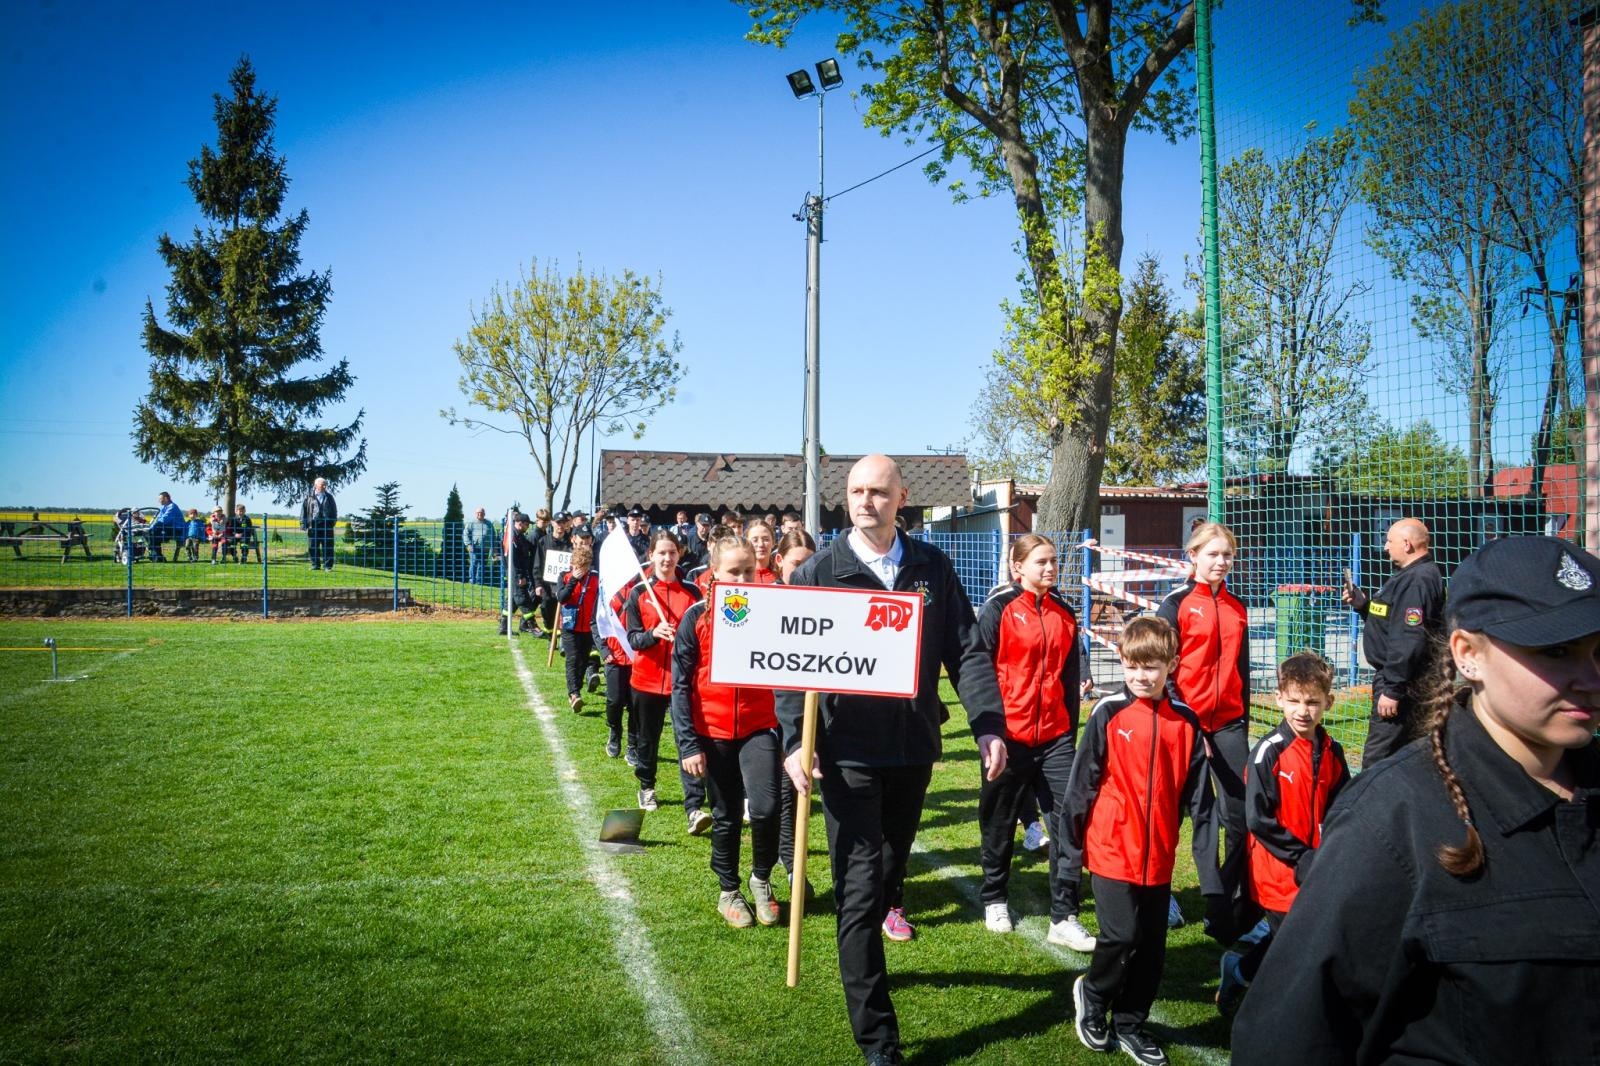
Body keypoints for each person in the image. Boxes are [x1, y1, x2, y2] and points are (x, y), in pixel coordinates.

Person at [1233, 535, 1600, 1064]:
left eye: (1599, 648)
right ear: (1469, 655)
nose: (1590, 679)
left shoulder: (1420, 580)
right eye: (1556, 651)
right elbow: (1289, 1035)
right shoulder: (1391, 820)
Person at [777, 454, 1005, 1066]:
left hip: (913, 749)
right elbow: (783, 660)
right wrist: (795, 742)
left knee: (883, 878)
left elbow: (968, 651)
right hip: (846, 752)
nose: (864, 501)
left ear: (901, 497)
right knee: (858, 888)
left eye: (877, 491)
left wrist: (988, 726)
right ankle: (879, 1039)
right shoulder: (820, 571)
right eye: (855, 490)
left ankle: (870, 950)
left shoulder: (933, 567)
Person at [1061, 615, 1221, 1066]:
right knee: (1121, 934)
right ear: (1123, 662)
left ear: (1172, 665)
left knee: (1152, 950)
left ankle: (1130, 1024)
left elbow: (1201, 805)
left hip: (1159, 857)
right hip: (1112, 850)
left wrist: (1210, 880)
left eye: (1152, 667)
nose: (1141, 676)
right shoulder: (1107, 713)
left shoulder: (1186, 722)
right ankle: (1092, 993)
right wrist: (1068, 864)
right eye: (1134, 666)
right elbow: (1079, 791)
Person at [972, 534, 1095, 951]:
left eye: (1053, 561)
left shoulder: (1064, 612)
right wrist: (989, 732)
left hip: (1057, 738)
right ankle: (994, 896)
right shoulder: (998, 610)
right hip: (1009, 738)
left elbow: (1069, 677)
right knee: (1000, 821)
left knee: (1069, 821)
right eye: (1040, 561)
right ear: (1017, 565)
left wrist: (1068, 733)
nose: (1049, 568)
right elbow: (979, 672)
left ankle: (1064, 914)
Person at [1215, 650, 1349, 1018]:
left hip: (1315, 867)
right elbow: (1258, 819)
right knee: (1298, 945)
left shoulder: (1333, 751)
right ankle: (1276, 1015)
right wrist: (1301, 856)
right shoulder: (1267, 754)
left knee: (1291, 940)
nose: (1302, 711)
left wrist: (1333, 850)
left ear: (1329, 702)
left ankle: (1239, 972)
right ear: (1278, 699)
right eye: (1293, 701)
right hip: (1276, 871)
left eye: (1312, 702)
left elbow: (1342, 808)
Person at [671, 533, 784, 928]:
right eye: (733, 571)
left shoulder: (772, 612)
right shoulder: (695, 617)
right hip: (712, 732)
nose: (742, 579)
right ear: (714, 573)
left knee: (767, 809)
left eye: (748, 571)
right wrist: (688, 744)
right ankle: (728, 891)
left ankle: (761, 879)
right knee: (726, 813)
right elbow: (680, 685)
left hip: (759, 727)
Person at [1156, 521, 1250, 934]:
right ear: (1192, 556)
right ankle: (1161, 896)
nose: (1221, 562)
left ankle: (1226, 902)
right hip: (1183, 723)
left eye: (1227, 554)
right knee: (1173, 813)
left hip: (1229, 722)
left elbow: (1242, 670)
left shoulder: (1238, 605)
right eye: (1212, 554)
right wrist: (1186, 721)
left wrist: (1241, 715)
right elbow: (1163, 670)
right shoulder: (1174, 605)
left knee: (1241, 817)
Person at [1341, 517, 1446, 767]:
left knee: (1378, 758)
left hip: (1402, 682)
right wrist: (1363, 605)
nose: (1386, 547)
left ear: (1407, 544)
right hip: (1397, 678)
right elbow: (1392, 621)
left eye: (1389, 541)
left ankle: (1369, 805)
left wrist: (1392, 689)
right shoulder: (1408, 575)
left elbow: (1410, 637)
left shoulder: (1418, 579)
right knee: (1404, 754)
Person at [625, 529, 709, 831]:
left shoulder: (692, 592)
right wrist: (653, 635)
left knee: (688, 740)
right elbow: (633, 639)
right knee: (648, 740)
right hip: (646, 681)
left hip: (682, 681)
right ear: (651, 556)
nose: (666, 558)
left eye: (671, 552)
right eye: (661, 553)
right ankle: (646, 785)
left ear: (679, 555)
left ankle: (695, 806)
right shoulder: (639, 592)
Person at [556, 543, 601, 712]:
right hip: (569, 626)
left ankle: (577, 688)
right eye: (577, 566)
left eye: (584, 567)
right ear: (572, 564)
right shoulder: (565, 577)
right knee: (572, 659)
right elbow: (562, 597)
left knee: (583, 660)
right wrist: (573, 580)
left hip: (588, 627)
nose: (581, 570)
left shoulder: (595, 579)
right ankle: (574, 694)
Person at [498, 512, 539, 636]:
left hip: (517, 573)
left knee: (511, 601)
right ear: (520, 523)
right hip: (516, 574)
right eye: (527, 524)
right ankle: (532, 626)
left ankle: (503, 626)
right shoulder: (513, 538)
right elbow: (513, 560)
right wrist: (520, 576)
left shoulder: (518, 536)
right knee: (523, 599)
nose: (528, 527)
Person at [300, 478, 337, 571]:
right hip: (313, 524)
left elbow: (334, 510)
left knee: (328, 546)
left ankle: (328, 566)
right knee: (313, 546)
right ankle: (315, 565)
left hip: (327, 524)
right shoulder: (309, 497)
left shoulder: (329, 497)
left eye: (325, 485)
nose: (325, 486)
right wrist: (303, 523)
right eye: (322, 485)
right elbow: (303, 511)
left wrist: (333, 522)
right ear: (316, 485)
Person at [463, 507, 496, 586]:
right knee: (474, 563)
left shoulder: (489, 524)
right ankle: (472, 580)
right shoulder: (471, 523)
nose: (480, 514)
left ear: (484, 514)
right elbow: (465, 534)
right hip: (474, 548)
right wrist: (468, 544)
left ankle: (479, 582)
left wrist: (493, 546)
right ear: (475, 514)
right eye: (478, 513)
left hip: (485, 548)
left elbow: (493, 535)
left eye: (481, 513)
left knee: (482, 565)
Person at [152, 491, 184, 562]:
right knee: (152, 533)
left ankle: (157, 556)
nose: (159, 501)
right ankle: (157, 555)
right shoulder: (163, 507)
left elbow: (165, 519)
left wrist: (153, 526)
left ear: (166, 498)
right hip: (168, 528)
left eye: (160, 499)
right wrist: (151, 526)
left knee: (154, 533)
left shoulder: (172, 507)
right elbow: (158, 518)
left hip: (176, 529)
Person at [745, 520, 780, 584]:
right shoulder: (741, 576)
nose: (761, 544)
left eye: (766, 540)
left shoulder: (781, 575)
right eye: (755, 540)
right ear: (747, 543)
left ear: (773, 543)